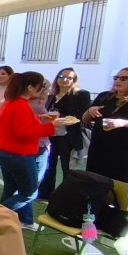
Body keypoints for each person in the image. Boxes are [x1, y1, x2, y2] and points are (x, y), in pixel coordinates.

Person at [0, 72, 75, 230]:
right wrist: (52, 126)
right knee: (29, 193)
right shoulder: (21, 104)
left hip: (5, 150)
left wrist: (40, 119)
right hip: (17, 153)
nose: (42, 89)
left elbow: (19, 125)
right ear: (30, 87)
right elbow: (24, 133)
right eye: (40, 86)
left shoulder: (12, 101)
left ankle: (5, 219)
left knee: (11, 188)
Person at [38, 68, 91, 200]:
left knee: (67, 166)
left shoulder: (81, 94)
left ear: (74, 80)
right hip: (51, 134)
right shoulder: (51, 95)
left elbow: (82, 115)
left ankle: (66, 196)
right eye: (61, 76)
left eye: (69, 78)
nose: (64, 80)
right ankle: (46, 192)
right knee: (49, 164)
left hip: (67, 135)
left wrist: (62, 117)